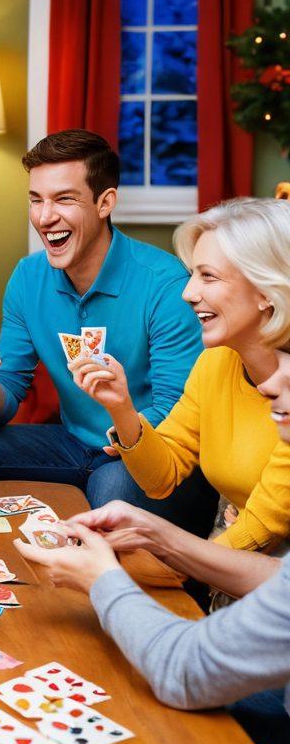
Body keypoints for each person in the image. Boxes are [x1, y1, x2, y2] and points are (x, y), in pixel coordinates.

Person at [14, 344, 290, 744]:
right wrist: (155, 534)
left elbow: (185, 668)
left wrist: (105, 581)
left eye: (208, 276)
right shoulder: (218, 366)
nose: (272, 384)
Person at [0, 129, 214, 534]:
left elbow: (176, 410)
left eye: (64, 199)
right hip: (74, 444)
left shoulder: (165, 284)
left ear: (105, 203)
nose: (45, 217)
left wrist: (122, 434)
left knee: (111, 487)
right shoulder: (28, 277)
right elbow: (1, 404)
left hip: (151, 451)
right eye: (36, 200)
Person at [69, 196, 290, 552]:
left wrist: (156, 560)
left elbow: (264, 525)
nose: (188, 293)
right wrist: (121, 407)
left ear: (267, 291)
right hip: (240, 551)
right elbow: (161, 476)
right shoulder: (215, 362)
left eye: (209, 277)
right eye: (192, 275)